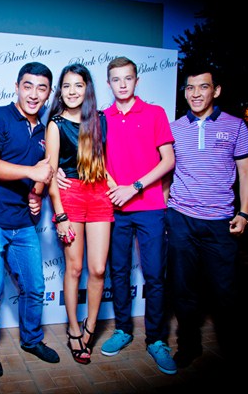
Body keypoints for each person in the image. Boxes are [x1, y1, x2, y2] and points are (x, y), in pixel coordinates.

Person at [57, 56, 176, 374]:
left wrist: (134, 187)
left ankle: (156, 340)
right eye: (116, 79)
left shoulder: (155, 113)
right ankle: (123, 329)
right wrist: (55, 169)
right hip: (113, 207)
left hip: (149, 205)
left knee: (154, 275)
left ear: (137, 80)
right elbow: (82, 155)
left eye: (128, 78)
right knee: (117, 272)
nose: (122, 84)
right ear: (108, 83)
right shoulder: (99, 118)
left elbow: (168, 161)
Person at [0, 61, 60, 378]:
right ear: (17, 87)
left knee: (35, 287)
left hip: (23, 224)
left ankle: (32, 340)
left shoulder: (46, 131)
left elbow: (46, 170)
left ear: (48, 93)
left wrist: (37, 192)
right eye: (28, 86)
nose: (34, 94)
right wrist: (31, 173)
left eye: (41, 88)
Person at [166, 65, 248, 368]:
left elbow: (247, 171)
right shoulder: (175, 128)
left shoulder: (236, 126)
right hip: (181, 218)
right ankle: (188, 346)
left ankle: (232, 347)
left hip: (220, 222)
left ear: (215, 90)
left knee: (225, 291)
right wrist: (166, 212)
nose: (195, 94)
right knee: (183, 289)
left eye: (203, 87)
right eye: (190, 88)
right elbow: (167, 171)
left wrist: (244, 213)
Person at [45, 63, 115, 365]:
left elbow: (104, 163)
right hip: (71, 195)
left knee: (97, 269)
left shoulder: (100, 120)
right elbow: (50, 173)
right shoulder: (56, 124)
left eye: (78, 85)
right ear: (60, 91)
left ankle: (91, 326)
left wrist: (116, 185)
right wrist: (60, 216)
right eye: (66, 86)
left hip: (99, 195)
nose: (72, 91)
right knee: (74, 269)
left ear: (87, 89)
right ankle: (73, 329)